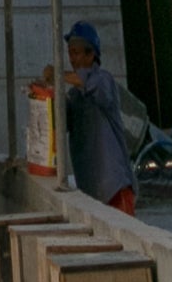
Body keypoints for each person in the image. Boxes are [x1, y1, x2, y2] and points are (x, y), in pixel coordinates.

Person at [58, 21, 144, 213]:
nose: (72, 59)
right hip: (91, 190)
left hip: (115, 188)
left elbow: (87, 81)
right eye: (70, 53)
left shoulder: (104, 80)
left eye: (77, 52)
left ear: (91, 54)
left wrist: (56, 75)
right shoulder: (75, 95)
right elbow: (61, 123)